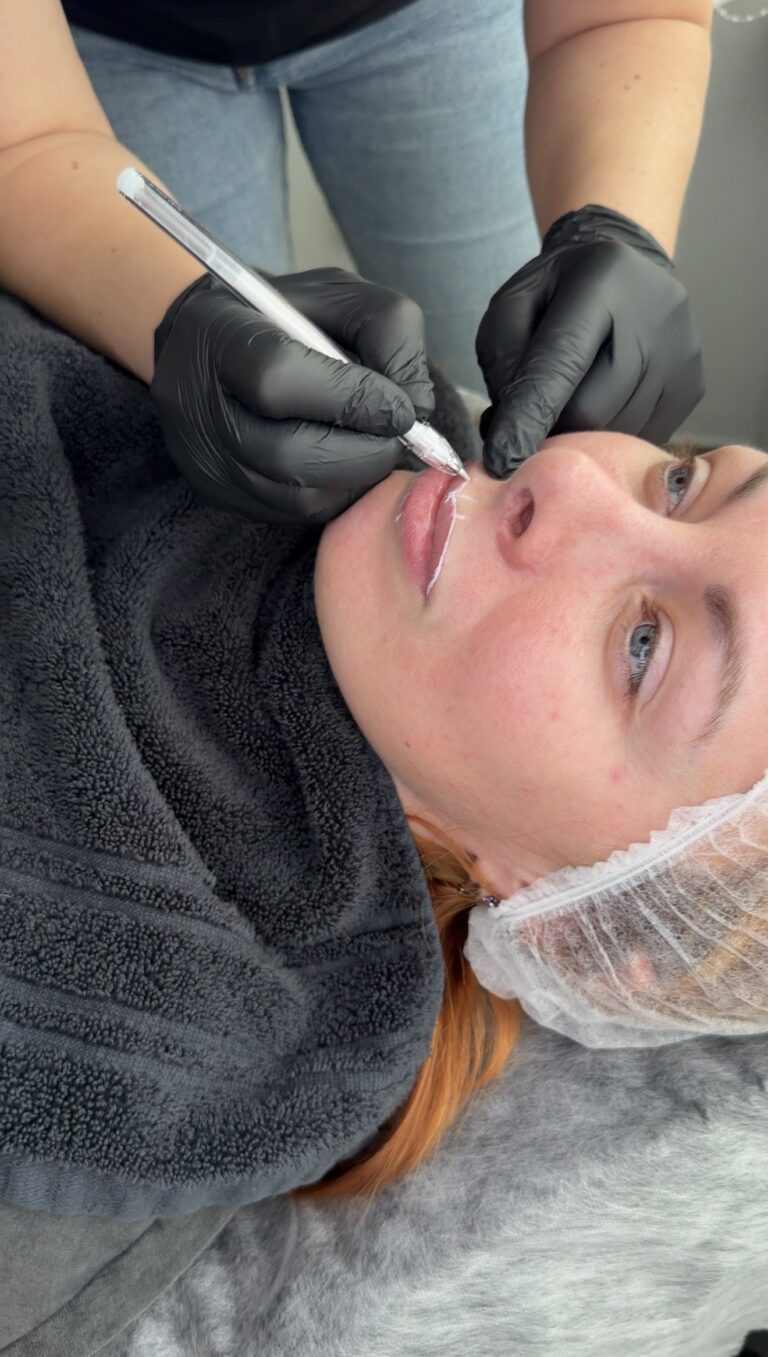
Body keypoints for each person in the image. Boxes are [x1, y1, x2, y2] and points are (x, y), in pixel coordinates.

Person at [1, 284, 767, 1352]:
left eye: (644, 647)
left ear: (565, 916)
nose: (565, 478)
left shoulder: (183, 1042)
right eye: (682, 481)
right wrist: (139, 285)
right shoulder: (352, 399)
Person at [1, 0, 711, 525]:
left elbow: (626, 13)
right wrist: (168, 314)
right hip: (96, 44)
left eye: (685, 485)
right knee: (249, 429)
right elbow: (23, 144)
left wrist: (618, 226)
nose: (568, 499)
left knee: (543, 359)